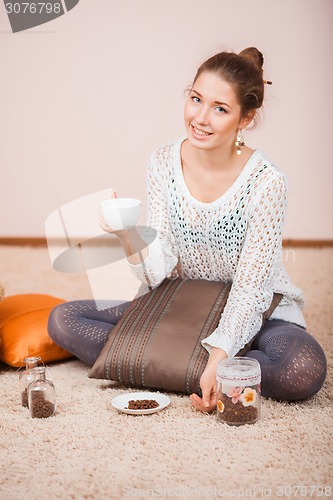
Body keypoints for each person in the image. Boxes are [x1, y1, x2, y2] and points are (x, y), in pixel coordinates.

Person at [48, 47, 327, 413]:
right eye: (196, 99)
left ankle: (176, 363)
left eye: (220, 108)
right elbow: (156, 269)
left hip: (256, 310)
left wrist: (219, 355)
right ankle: (218, 371)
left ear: (246, 119)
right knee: (63, 319)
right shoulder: (163, 161)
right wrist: (127, 234)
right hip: (179, 304)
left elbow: (251, 288)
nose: (200, 117)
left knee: (301, 370)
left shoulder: (267, 182)